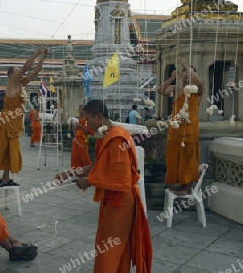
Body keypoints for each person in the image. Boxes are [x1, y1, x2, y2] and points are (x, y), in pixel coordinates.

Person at [77, 100, 152, 273]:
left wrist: (88, 181)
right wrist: (72, 174)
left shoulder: (117, 138)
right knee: (116, 246)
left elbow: (119, 174)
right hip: (115, 199)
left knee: (106, 246)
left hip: (121, 201)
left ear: (99, 116)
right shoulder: (110, 135)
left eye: (89, 119)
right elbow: (100, 164)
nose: (87, 124)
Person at [0, 46, 49, 187]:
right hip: (7, 120)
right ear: (11, 75)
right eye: (16, 71)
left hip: (16, 121)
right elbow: (26, 67)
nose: (19, 73)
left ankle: (6, 177)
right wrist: (37, 52)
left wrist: (43, 57)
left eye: (18, 71)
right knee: (2, 148)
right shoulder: (12, 83)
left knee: (12, 150)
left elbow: (35, 71)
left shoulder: (22, 84)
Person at [157, 57, 204, 195]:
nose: (187, 76)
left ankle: (187, 187)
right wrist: (171, 78)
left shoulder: (197, 91)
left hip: (189, 130)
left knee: (187, 159)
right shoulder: (176, 89)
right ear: (182, 75)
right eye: (185, 73)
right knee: (173, 158)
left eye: (190, 74)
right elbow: (160, 90)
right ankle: (179, 184)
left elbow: (200, 82)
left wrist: (185, 65)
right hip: (175, 129)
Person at [70, 104, 94, 169]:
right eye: (80, 109)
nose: (81, 111)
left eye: (83, 109)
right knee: (75, 156)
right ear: (78, 110)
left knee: (84, 157)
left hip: (83, 141)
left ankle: (88, 169)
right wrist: (71, 124)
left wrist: (81, 127)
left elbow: (89, 132)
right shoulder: (76, 119)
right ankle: (77, 172)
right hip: (76, 140)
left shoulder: (87, 120)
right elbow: (70, 130)